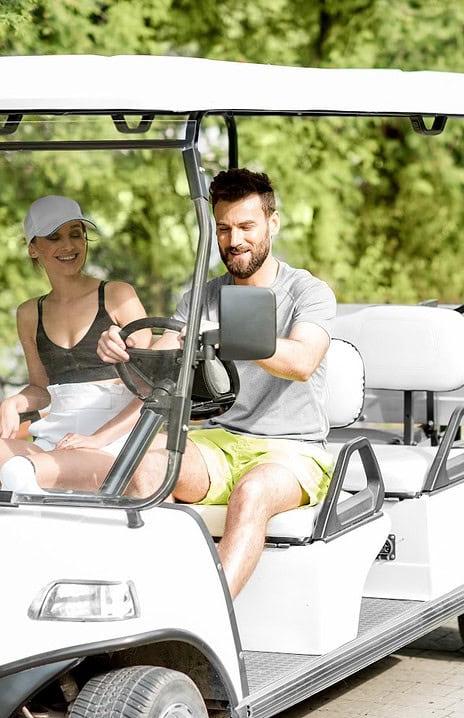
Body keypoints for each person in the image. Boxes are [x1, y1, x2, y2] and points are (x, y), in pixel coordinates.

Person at [97, 168, 336, 598]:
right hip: (221, 444)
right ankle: (160, 600)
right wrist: (122, 351)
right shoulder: (200, 297)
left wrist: (233, 337)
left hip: (293, 450)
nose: (234, 240)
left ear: (272, 223)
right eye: (224, 229)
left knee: (253, 490)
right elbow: (162, 369)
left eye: (247, 226)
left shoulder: (307, 292)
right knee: (146, 464)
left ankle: (204, 617)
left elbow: (302, 361)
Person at [0, 195, 149, 490]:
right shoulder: (29, 313)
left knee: (24, 471)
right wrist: (13, 403)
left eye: (76, 234)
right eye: (54, 237)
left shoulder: (117, 295)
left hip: (111, 440)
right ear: (33, 248)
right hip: (56, 436)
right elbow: (42, 389)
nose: (69, 245)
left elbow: (152, 378)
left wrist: (97, 437)